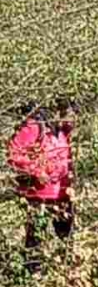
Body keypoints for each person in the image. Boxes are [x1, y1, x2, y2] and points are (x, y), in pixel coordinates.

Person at [6, 101, 74, 276]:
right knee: (36, 236)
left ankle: (65, 273)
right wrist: (36, 170)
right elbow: (14, 153)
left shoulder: (64, 131)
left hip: (62, 192)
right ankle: (32, 276)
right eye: (67, 111)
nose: (71, 116)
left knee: (66, 234)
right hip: (39, 194)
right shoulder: (36, 126)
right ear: (56, 109)